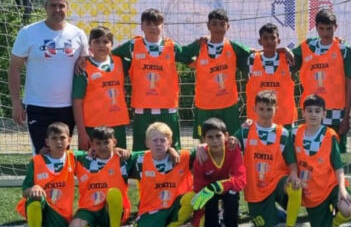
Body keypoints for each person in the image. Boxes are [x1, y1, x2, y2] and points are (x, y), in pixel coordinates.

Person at [9, 0, 89, 153]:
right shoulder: (28, 32)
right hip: (38, 105)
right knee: (42, 154)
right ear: (45, 7)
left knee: (62, 154)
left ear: (68, 8)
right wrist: (16, 103)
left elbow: (86, 63)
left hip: (68, 107)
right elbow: (14, 69)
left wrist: (82, 61)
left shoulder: (78, 34)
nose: (57, 10)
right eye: (53, 6)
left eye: (61, 6)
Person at [112, 9, 190, 151]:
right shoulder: (133, 45)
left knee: (171, 147)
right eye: (148, 24)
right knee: (141, 148)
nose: (153, 27)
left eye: (156, 23)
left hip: (167, 106)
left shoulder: (172, 46)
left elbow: (191, 58)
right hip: (142, 107)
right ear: (142, 26)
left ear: (162, 26)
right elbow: (111, 55)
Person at [235, 91, 302, 227]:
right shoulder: (245, 131)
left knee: (295, 188)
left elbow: (292, 162)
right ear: (254, 109)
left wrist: (294, 174)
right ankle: (274, 212)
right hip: (255, 186)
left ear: (276, 109)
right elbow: (230, 143)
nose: (265, 113)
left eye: (269, 109)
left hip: (277, 181)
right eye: (261, 109)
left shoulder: (283, 133)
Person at [179, 9, 252, 137]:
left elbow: (253, 54)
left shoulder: (234, 46)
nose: (218, 28)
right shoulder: (200, 45)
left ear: (228, 26)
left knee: (231, 139)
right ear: (208, 26)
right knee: (205, 139)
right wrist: (193, 63)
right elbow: (181, 54)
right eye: (214, 24)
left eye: (222, 24)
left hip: (228, 104)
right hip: (204, 104)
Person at [293, 95, 351, 227]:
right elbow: (276, 132)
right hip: (312, 190)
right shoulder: (295, 133)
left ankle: (335, 225)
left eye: (317, 111)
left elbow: (338, 167)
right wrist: (249, 126)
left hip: (331, 185)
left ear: (324, 114)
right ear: (303, 113)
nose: (313, 114)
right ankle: (326, 222)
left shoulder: (329, 135)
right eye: (309, 110)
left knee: (347, 209)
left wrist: (342, 189)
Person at [292, 9, 351, 152]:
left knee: (334, 154)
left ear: (336, 27)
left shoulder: (343, 49)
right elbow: (287, 59)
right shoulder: (307, 46)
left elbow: (349, 83)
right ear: (316, 27)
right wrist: (282, 49)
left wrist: (347, 116)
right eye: (321, 28)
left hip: (336, 113)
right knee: (312, 152)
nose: (325, 33)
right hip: (312, 111)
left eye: (329, 28)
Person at [188, 117, 251, 227]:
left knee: (232, 194)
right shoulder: (200, 157)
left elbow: (240, 180)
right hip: (209, 193)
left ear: (226, 136)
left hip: (226, 189)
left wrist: (216, 186)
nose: (215, 141)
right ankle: (215, 225)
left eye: (218, 136)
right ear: (204, 139)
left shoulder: (233, 149)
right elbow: (199, 191)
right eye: (210, 137)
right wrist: (197, 226)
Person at [16, 122, 77, 227]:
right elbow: (25, 191)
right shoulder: (36, 161)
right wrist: (34, 188)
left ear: (69, 140)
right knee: (35, 197)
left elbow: (99, 154)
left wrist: (117, 150)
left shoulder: (74, 157)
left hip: (60, 213)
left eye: (62, 138)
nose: (59, 142)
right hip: (42, 206)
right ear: (47, 142)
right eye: (54, 138)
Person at [67, 126, 132, 227]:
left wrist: (170, 150)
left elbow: (151, 153)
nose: (102, 147)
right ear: (91, 144)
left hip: (112, 209)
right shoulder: (82, 159)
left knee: (114, 193)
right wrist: (47, 150)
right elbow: (61, 153)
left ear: (114, 142)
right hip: (90, 208)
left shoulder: (123, 158)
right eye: (98, 143)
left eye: (106, 142)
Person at [130, 122, 195, 227]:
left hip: (174, 207)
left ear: (170, 142)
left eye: (163, 140)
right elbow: (112, 155)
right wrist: (117, 150)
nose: (159, 143)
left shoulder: (183, 157)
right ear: (147, 143)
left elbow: (206, 148)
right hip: (151, 210)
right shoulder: (138, 159)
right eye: (155, 140)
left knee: (192, 197)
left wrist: (202, 148)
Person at [72, 26, 130, 150]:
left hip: (118, 124)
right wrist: (82, 133)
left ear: (112, 44)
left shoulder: (120, 62)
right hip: (93, 126)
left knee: (118, 160)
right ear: (90, 45)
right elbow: (77, 102)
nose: (101, 45)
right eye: (97, 41)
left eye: (105, 42)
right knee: (92, 161)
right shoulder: (83, 67)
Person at [245, 23, 297, 128]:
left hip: (284, 117)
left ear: (278, 40)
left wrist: (284, 49)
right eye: (265, 38)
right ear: (260, 41)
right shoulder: (252, 59)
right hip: (259, 118)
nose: (269, 41)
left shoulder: (287, 58)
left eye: (272, 38)